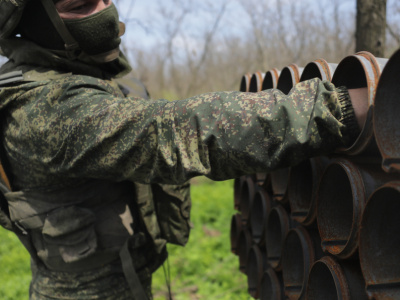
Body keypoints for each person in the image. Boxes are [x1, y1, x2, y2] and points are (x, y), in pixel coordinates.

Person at [0, 0, 368, 299]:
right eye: (81, 5)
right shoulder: (41, 109)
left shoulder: (79, 78)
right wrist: (341, 108)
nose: (105, 13)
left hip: (124, 276)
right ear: (34, 23)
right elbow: (176, 132)